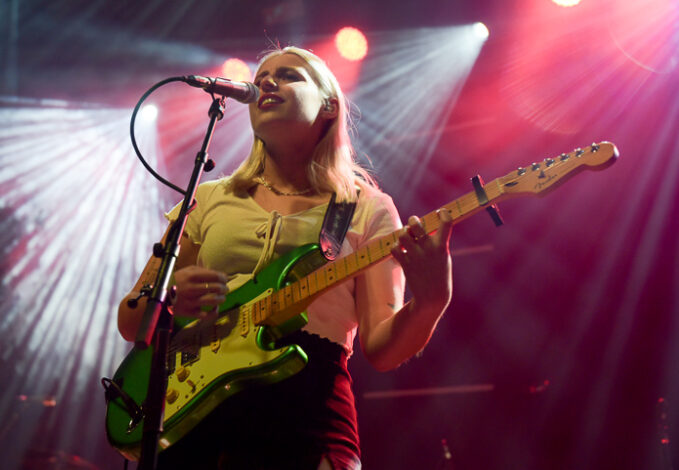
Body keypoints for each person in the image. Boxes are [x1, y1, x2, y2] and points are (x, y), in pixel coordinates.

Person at [117, 46, 453, 470]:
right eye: (260, 79)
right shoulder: (206, 198)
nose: (267, 83)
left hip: (306, 410)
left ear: (329, 106)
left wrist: (431, 302)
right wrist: (168, 302)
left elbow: (383, 350)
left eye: (289, 75)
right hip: (194, 413)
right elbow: (131, 319)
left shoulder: (366, 208)